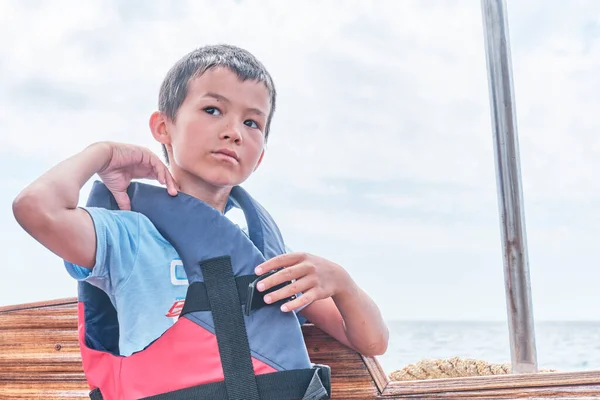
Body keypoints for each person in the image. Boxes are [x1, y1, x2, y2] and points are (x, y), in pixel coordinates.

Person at [13, 44, 388, 398]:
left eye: (252, 123)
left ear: (259, 158)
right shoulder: (126, 237)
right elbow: (35, 207)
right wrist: (101, 154)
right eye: (213, 110)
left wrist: (341, 282)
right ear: (163, 127)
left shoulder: (264, 255)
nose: (233, 132)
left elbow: (372, 342)